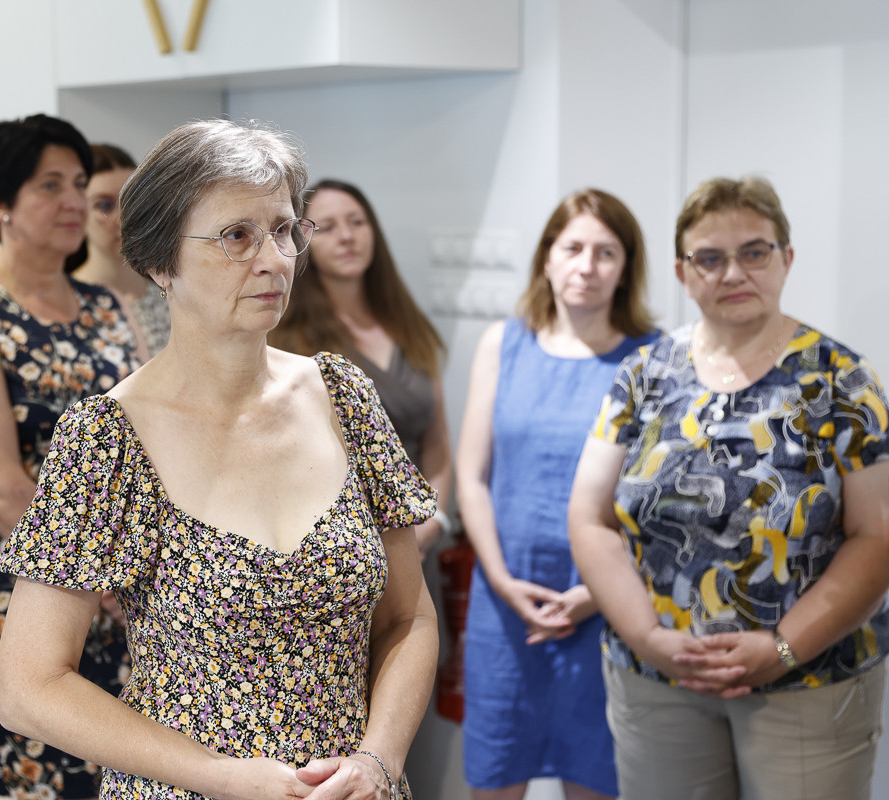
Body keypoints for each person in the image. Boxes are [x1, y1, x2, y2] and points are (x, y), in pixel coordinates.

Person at [0, 119, 439, 800]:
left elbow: (408, 617)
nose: (274, 259)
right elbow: (29, 687)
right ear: (160, 262)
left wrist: (378, 760)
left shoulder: (343, 396)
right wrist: (222, 776)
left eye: (284, 230)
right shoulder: (108, 439)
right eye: (237, 236)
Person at [567, 176, 889, 800]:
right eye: (710, 258)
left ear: (785, 258)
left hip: (808, 681)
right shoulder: (644, 373)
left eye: (754, 252)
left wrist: (782, 649)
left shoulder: (842, 380)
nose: (733, 272)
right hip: (657, 679)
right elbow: (589, 518)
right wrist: (649, 640)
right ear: (683, 273)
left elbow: (876, 537)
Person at [0, 113, 142, 797]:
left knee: (122, 764)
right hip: (21, 583)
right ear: (0, 203)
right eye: (50, 186)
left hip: (120, 575)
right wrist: (105, 585)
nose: (74, 201)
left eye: (78, 183)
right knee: (38, 768)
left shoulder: (110, 305)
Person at [456, 189, 658, 800]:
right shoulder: (503, 344)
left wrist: (596, 596)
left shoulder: (653, 358)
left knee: (595, 777)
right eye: (572, 248)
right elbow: (472, 476)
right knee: (495, 773)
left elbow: (656, 504)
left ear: (625, 268)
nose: (586, 266)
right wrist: (501, 580)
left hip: (607, 607)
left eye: (606, 252)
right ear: (547, 257)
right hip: (504, 604)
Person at [270, 178, 452, 556]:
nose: (347, 237)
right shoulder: (285, 340)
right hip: (340, 552)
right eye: (328, 227)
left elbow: (437, 443)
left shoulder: (408, 325)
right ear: (301, 242)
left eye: (357, 222)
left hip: (419, 541)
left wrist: (433, 520)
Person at [71, 142, 171, 359]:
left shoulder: (174, 296)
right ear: (78, 213)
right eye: (104, 206)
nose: (123, 218)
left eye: (132, 202)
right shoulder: (64, 305)